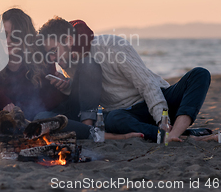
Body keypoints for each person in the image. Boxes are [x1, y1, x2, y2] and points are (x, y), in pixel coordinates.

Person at [38, 16, 212, 142]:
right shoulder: (68, 62)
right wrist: (67, 86)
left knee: (199, 74)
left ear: (68, 40)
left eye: (54, 50)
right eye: (49, 54)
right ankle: (180, 136)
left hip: (158, 100)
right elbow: (89, 91)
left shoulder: (111, 45)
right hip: (127, 115)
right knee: (114, 119)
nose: (52, 58)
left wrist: (163, 120)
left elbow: (147, 84)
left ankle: (174, 133)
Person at [0, 8, 69, 122]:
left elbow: (51, 100)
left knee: (41, 117)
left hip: (46, 120)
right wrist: (3, 100)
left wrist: (64, 85)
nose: (7, 41)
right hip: (14, 128)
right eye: (4, 35)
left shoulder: (42, 61)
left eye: (14, 36)